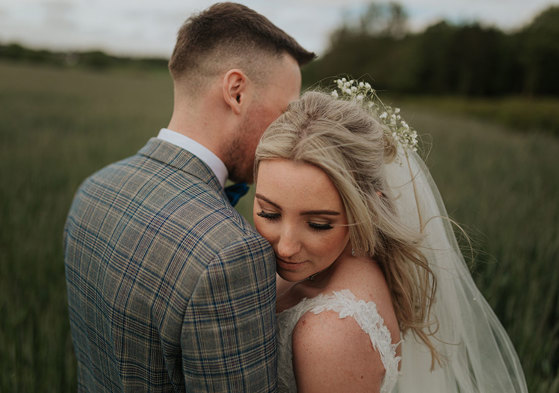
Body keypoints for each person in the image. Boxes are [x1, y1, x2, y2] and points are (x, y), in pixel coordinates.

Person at [63, 3, 314, 392]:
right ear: (237, 92)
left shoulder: (92, 189)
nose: (288, 131)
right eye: (285, 111)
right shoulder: (232, 255)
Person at [252, 84, 529, 393]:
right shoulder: (343, 261)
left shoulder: (332, 331)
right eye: (269, 213)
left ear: (368, 210)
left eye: (318, 224)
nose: (286, 247)